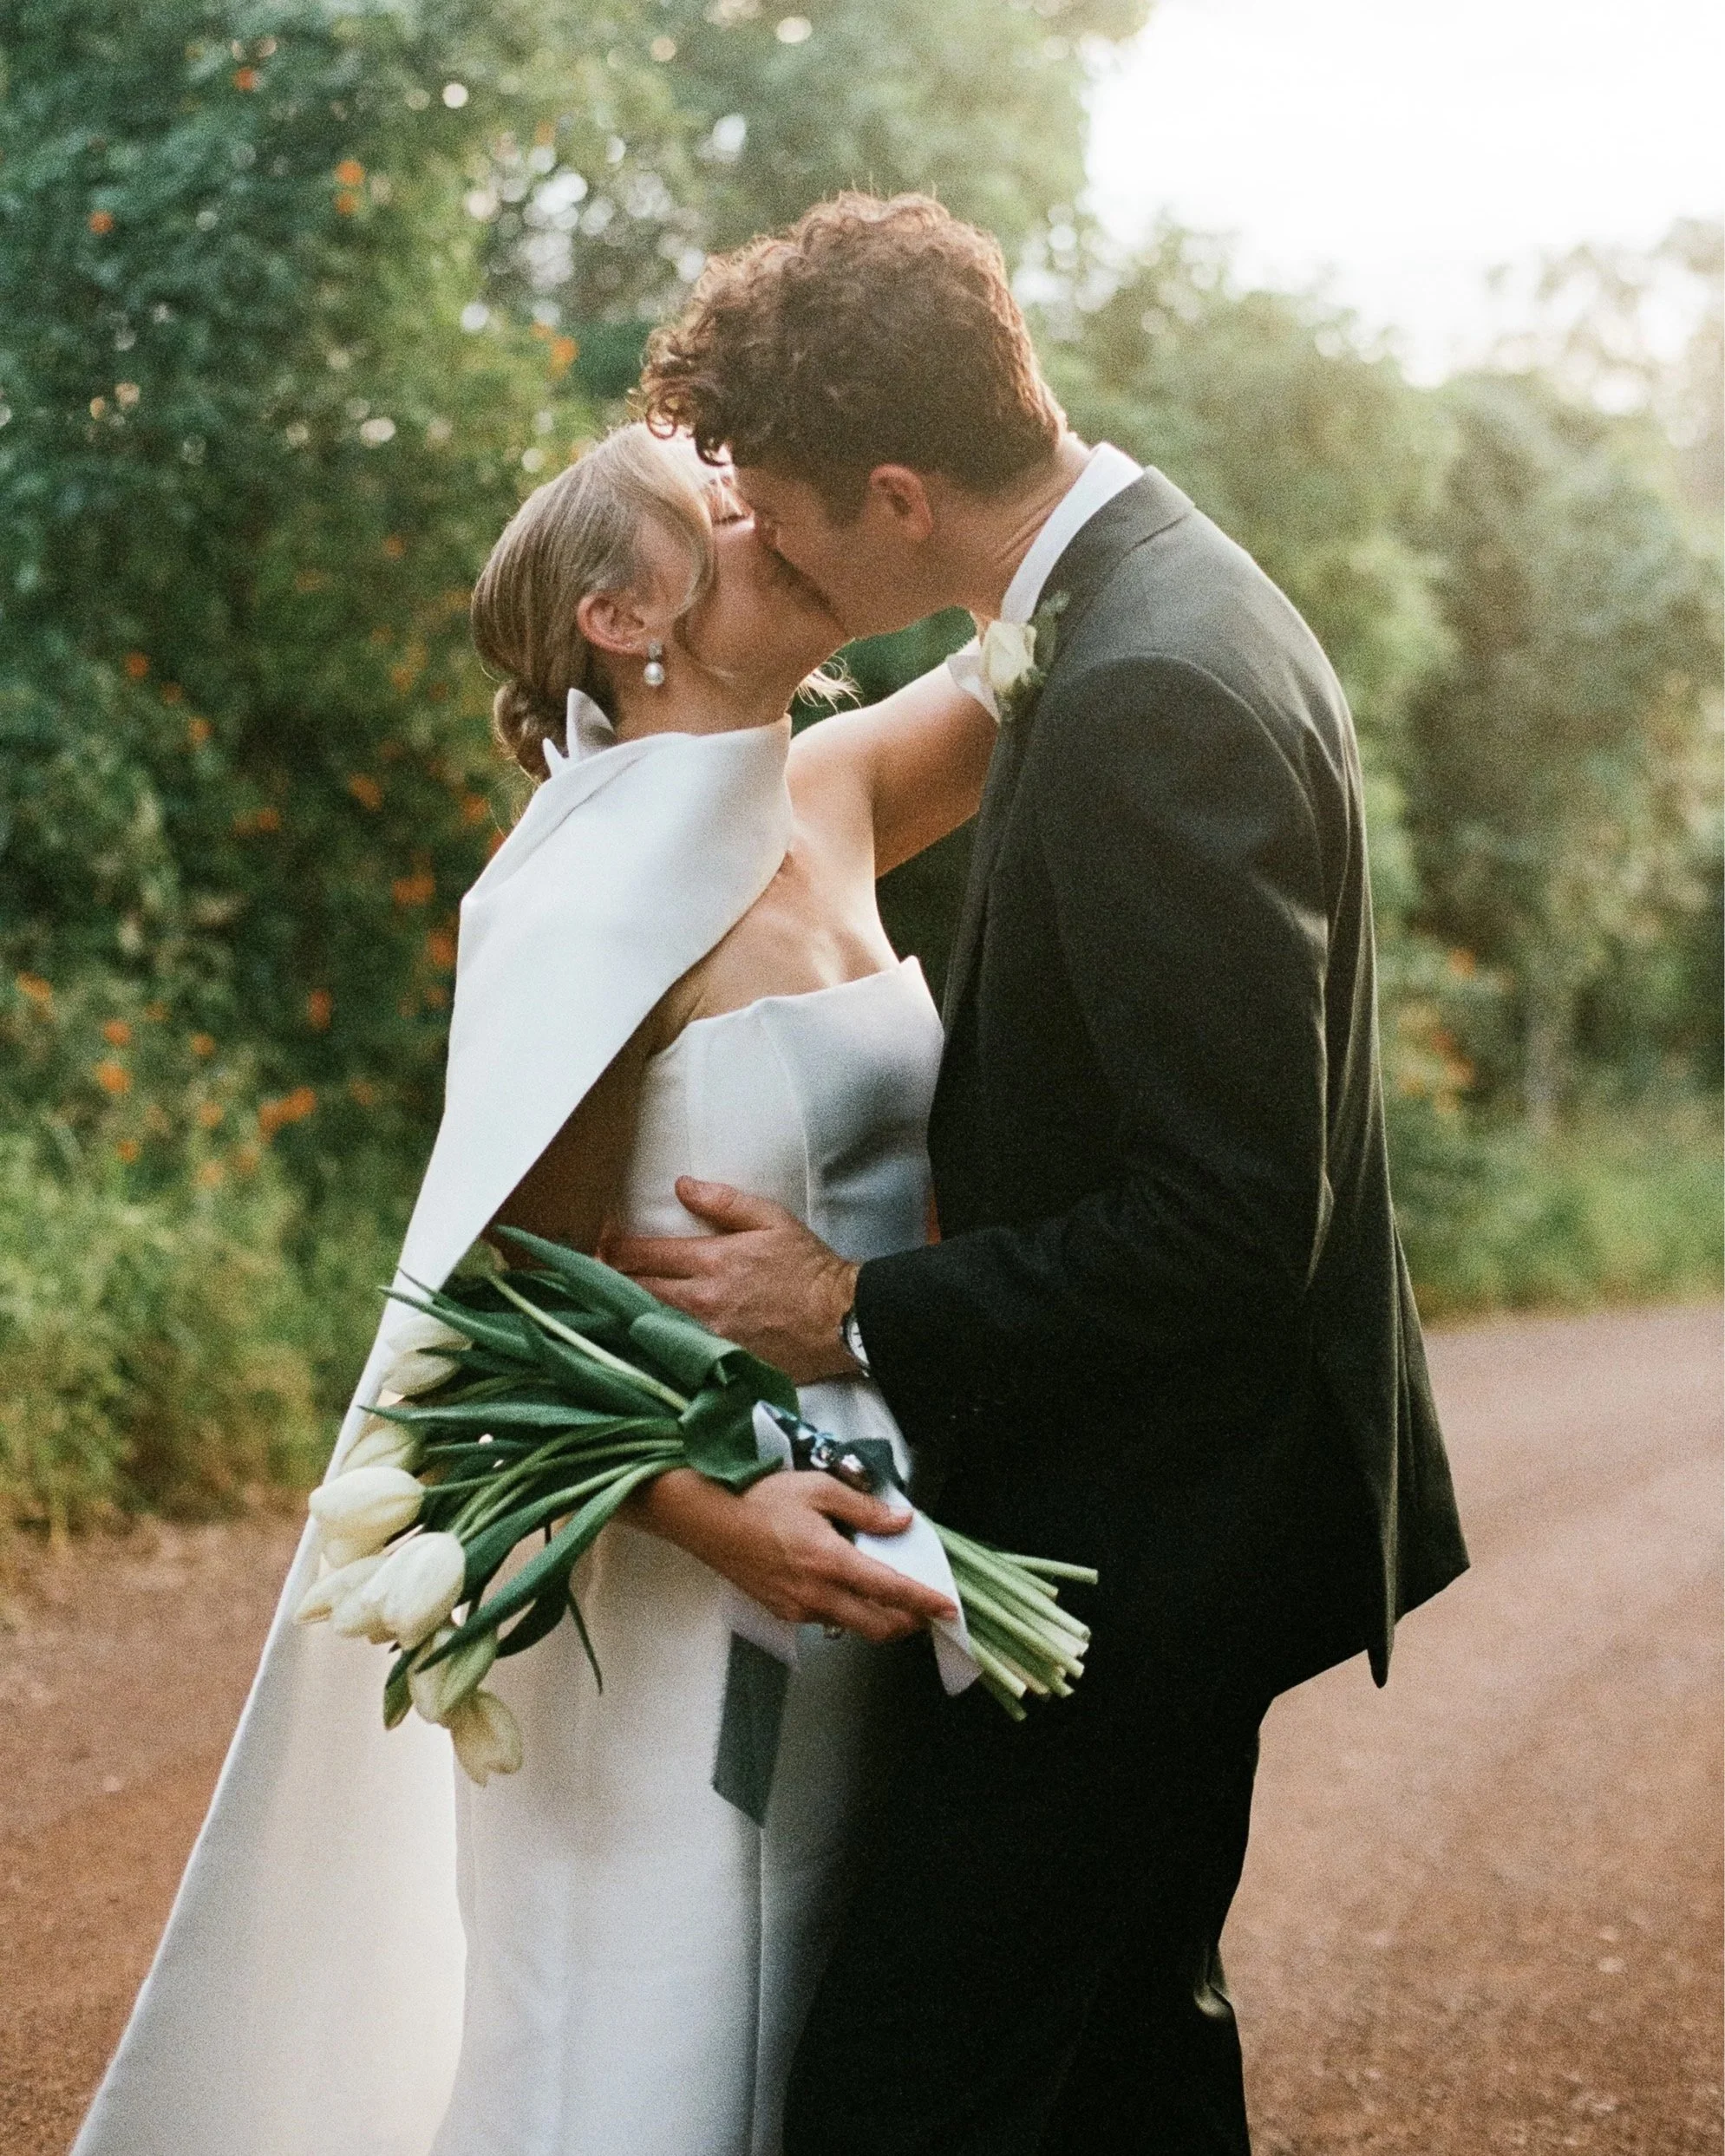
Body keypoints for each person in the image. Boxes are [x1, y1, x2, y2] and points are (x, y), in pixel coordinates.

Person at [608, 192, 1472, 2155]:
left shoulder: (1148, 684)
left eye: (785, 506)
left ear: (898, 494)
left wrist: (844, 1303)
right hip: (1159, 1492)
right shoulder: (1147, 599)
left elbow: (1243, 1225)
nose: (768, 543)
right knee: (1118, 2059)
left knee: (912, 2090)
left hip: (1152, 1532)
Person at [69, 421, 997, 2156]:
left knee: (820, 2044)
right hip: (675, 1598)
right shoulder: (577, 903)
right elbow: (499, 1331)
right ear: (622, 611)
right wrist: (729, 1523)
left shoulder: (837, 786)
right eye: (723, 508)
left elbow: (1039, 620)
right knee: (653, 2046)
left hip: (875, 1553)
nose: (772, 507)